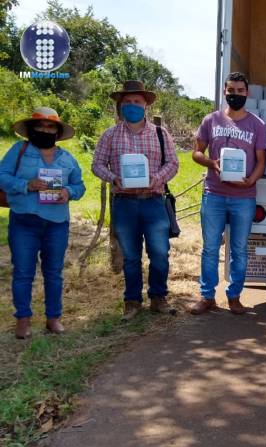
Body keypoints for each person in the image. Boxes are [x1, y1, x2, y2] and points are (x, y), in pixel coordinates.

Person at [92, 80, 179, 321]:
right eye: (127, 102)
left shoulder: (160, 134)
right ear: (121, 106)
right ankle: (132, 301)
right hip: (124, 203)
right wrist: (114, 178)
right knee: (130, 256)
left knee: (160, 253)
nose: (132, 105)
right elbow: (97, 164)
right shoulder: (110, 135)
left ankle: (158, 298)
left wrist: (156, 178)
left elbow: (173, 163)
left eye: (136, 101)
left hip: (154, 201)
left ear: (145, 105)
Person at [0, 107, 85, 339]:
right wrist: (25, 185)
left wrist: (68, 192)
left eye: (50, 126)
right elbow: (2, 176)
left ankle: (53, 318)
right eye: (40, 125)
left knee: (54, 273)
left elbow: (79, 185)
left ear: (57, 132)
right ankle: (23, 320)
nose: (45, 130)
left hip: (57, 223)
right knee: (23, 272)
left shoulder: (67, 158)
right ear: (31, 129)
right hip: (24, 221)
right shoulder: (19, 150)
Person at [188, 72, 266, 315]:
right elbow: (196, 153)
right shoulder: (211, 120)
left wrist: (250, 181)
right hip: (214, 193)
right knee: (210, 248)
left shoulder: (258, 125)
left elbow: (262, 161)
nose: (235, 95)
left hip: (244, 197)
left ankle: (234, 296)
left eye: (240, 91)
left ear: (247, 93)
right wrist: (212, 163)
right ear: (224, 92)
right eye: (231, 90)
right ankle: (207, 296)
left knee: (239, 250)